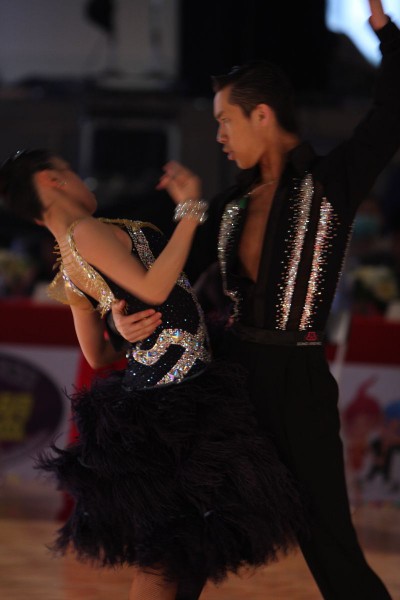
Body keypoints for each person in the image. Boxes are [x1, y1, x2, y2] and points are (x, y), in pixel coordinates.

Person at [111, 1, 399, 598]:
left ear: (262, 115)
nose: (218, 136)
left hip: (299, 381)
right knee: (190, 525)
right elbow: (166, 281)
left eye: (225, 121)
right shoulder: (228, 205)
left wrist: (382, 27)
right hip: (230, 375)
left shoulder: (333, 181)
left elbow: (393, 112)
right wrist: (122, 314)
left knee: (330, 542)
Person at [0, 149, 307, 600]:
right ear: (51, 180)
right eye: (71, 172)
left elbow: (98, 354)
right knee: (166, 555)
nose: (83, 180)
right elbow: (155, 287)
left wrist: (122, 331)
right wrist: (190, 211)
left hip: (170, 393)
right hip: (176, 400)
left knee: (187, 548)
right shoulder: (83, 230)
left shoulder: (66, 261)